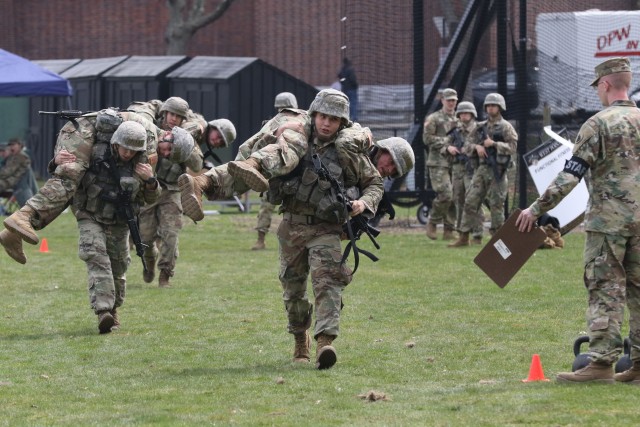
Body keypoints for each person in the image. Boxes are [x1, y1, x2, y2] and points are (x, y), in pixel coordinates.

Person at [179, 89, 384, 369]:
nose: (326, 123)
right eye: (323, 116)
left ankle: (325, 342)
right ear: (314, 115)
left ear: (342, 124)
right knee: (293, 290)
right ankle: (300, 338)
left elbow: (375, 183)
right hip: (292, 225)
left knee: (328, 284)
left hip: (326, 228)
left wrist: (363, 203)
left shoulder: (348, 151)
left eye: (334, 120)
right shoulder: (294, 137)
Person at [516, 57, 640, 384]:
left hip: (608, 223)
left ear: (604, 84)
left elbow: (571, 175)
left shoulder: (597, 124)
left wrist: (535, 209)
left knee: (605, 288)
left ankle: (600, 364)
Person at [0, 109, 158, 265]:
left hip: (93, 133)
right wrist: (56, 162)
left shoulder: (144, 136)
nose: (166, 151)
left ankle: (11, 234)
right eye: (168, 149)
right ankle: (24, 216)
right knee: (70, 177)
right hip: (80, 130)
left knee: (77, 188)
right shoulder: (150, 132)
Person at [74, 120, 159, 333]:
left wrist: (150, 181)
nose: (128, 153)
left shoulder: (142, 165)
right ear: (115, 143)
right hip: (90, 215)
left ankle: (114, 310)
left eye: (133, 150)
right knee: (96, 257)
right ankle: (103, 312)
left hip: (120, 222)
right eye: (125, 148)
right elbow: (68, 169)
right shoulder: (95, 153)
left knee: (118, 268)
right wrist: (57, 161)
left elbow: (151, 198)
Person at [448, 92, 517, 247]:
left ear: (500, 107)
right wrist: (477, 146)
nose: (490, 108)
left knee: (496, 205)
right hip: (482, 170)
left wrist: (494, 144)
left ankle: (497, 239)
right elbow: (466, 146)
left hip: (498, 171)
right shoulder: (481, 127)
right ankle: (465, 236)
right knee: (470, 201)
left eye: (494, 105)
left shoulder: (506, 127)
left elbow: (513, 147)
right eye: (489, 105)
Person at [252, 92, 299, 250]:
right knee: (266, 206)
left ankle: (295, 240)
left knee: (295, 209)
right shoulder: (270, 126)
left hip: (293, 173)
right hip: (274, 173)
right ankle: (261, 239)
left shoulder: (301, 126)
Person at [423, 88, 458, 240]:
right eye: (449, 100)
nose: (451, 103)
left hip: (456, 162)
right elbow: (427, 138)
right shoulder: (434, 118)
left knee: (454, 196)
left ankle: (449, 230)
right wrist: (446, 143)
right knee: (446, 194)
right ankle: (433, 221)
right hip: (438, 162)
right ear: (442, 100)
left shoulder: (459, 119)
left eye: (454, 100)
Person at [450, 101, 484, 244]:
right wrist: (448, 148)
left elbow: (484, 144)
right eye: (462, 113)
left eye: (467, 113)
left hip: (473, 168)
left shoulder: (479, 129)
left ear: (472, 114)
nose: (464, 116)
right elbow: (444, 144)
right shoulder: (455, 131)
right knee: (459, 200)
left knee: (474, 201)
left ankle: (477, 234)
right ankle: (462, 234)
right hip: (458, 169)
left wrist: (473, 148)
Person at [0, 138, 34, 207]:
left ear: (19, 145)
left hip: (14, 182)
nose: (11, 147)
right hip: (10, 181)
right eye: (10, 145)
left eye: (13, 145)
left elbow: (8, 172)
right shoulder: (13, 156)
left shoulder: (21, 156)